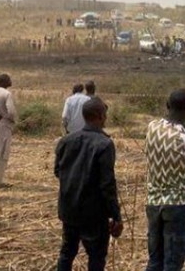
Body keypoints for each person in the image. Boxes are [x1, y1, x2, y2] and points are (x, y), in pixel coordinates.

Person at [144, 89, 185, 271]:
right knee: (173, 263)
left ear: (167, 106)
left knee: (154, 261)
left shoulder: (152, 128)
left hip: (153, 202)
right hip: (179, 204)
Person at [55, 98, 124, 271]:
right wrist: (116, 216)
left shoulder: (66, 140)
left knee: (67, 253)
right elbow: (107, 184)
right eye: (105, 115)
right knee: (96, 258)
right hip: (94, 214)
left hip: (69, 209)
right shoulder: (105, 144)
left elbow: (58, 171)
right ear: (100, 116)